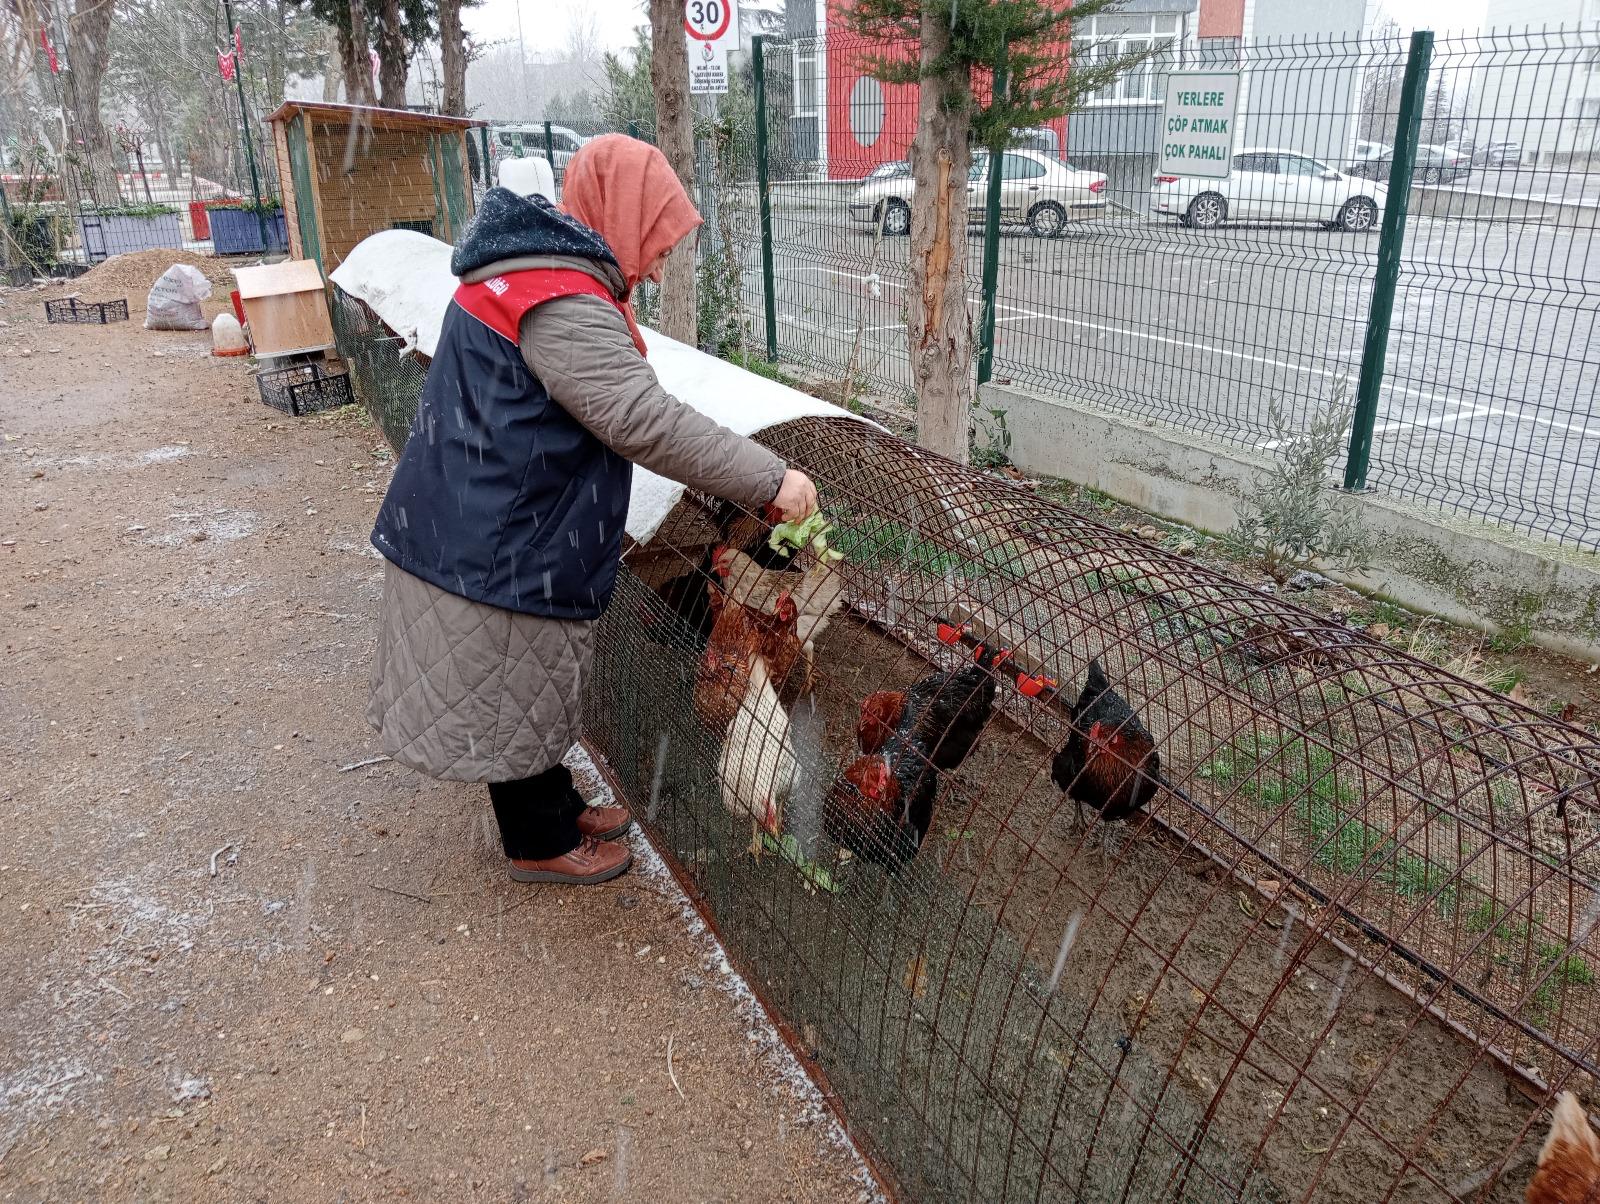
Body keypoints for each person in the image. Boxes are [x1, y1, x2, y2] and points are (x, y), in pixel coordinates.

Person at [366, 135, 819, 887]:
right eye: (660, 239)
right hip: (499, 537)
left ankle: (554, 803)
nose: (664, 260)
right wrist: (771, 478)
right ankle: (537, 844)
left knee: (520, 684)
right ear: (623, 213)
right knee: (510, 684)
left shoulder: (540, 274)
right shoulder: (561, 298)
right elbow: (644, 421)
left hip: (492, 518)